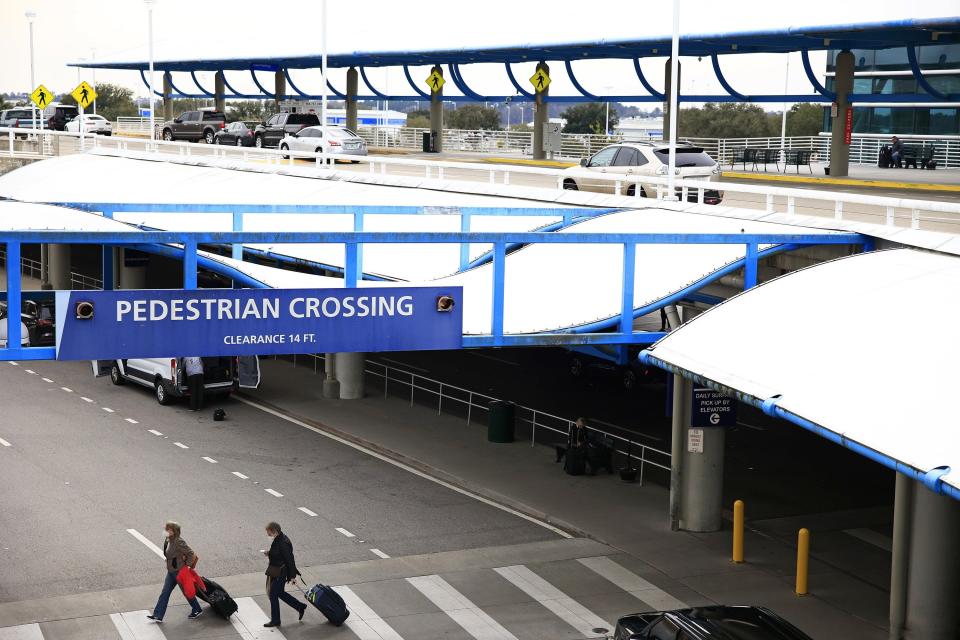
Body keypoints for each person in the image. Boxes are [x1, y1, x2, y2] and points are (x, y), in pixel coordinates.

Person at [147, 521, 203, 622]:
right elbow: (170, 554)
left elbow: (190, 553)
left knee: (187, 592)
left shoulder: (178, 541)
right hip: (171, 572)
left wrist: (187, 566)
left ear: (173, 531)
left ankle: (197, 609)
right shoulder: (169, 540)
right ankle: (158, 615)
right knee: (165, 592)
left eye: (168, 529)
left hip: (180, 572)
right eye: (166, 528)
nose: (165, 531)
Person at [262, 522, 306, 628]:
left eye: (269, 533)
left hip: (280, 573)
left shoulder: (283, 542)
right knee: (280, 593)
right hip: (278, 571)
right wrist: (270, 553)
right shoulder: (278, 539)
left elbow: (290, 560)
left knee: (273, 594)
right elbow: (278, 554)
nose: (268, 536)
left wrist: (292, 576)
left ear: (274, 531)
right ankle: (300, 606)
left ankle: (276, 620)